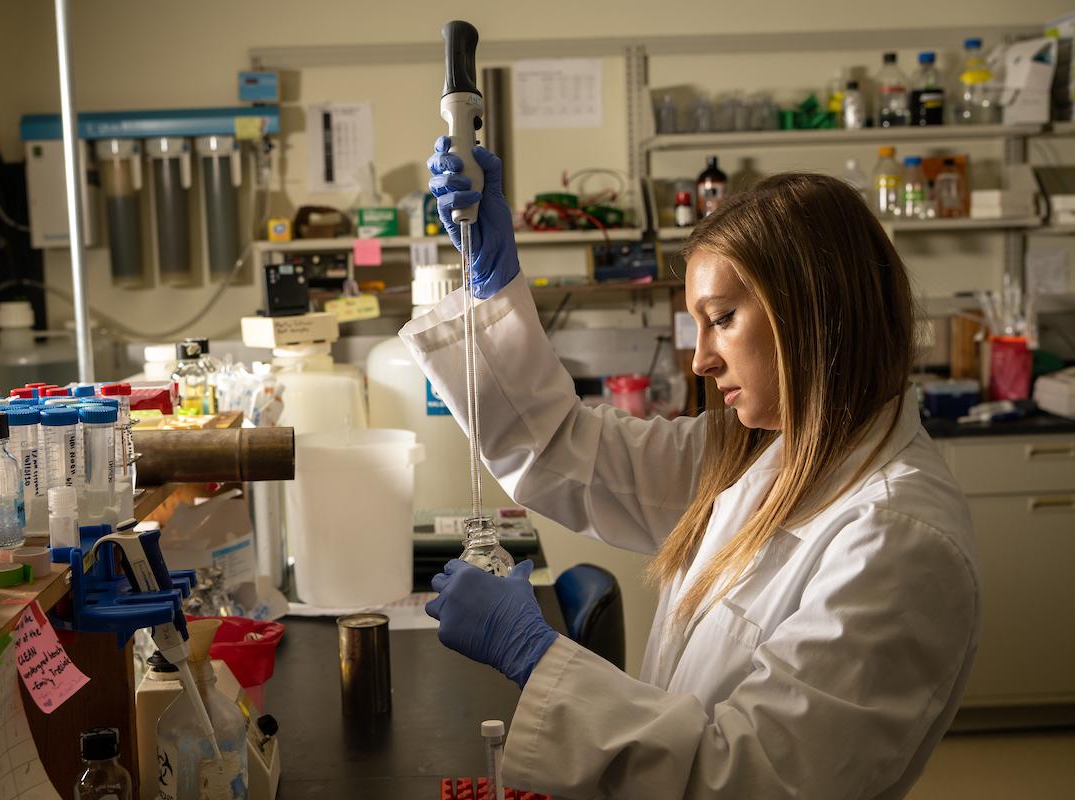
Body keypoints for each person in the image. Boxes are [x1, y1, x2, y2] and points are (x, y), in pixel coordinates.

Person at [403, 137, 981, 799]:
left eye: (723, 319)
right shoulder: (759, 453)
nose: (701, 361)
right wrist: (493, 285)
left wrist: (534, 655)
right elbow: (563, 450)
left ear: (818, 312)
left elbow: (745, 777)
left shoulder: (899, 539)